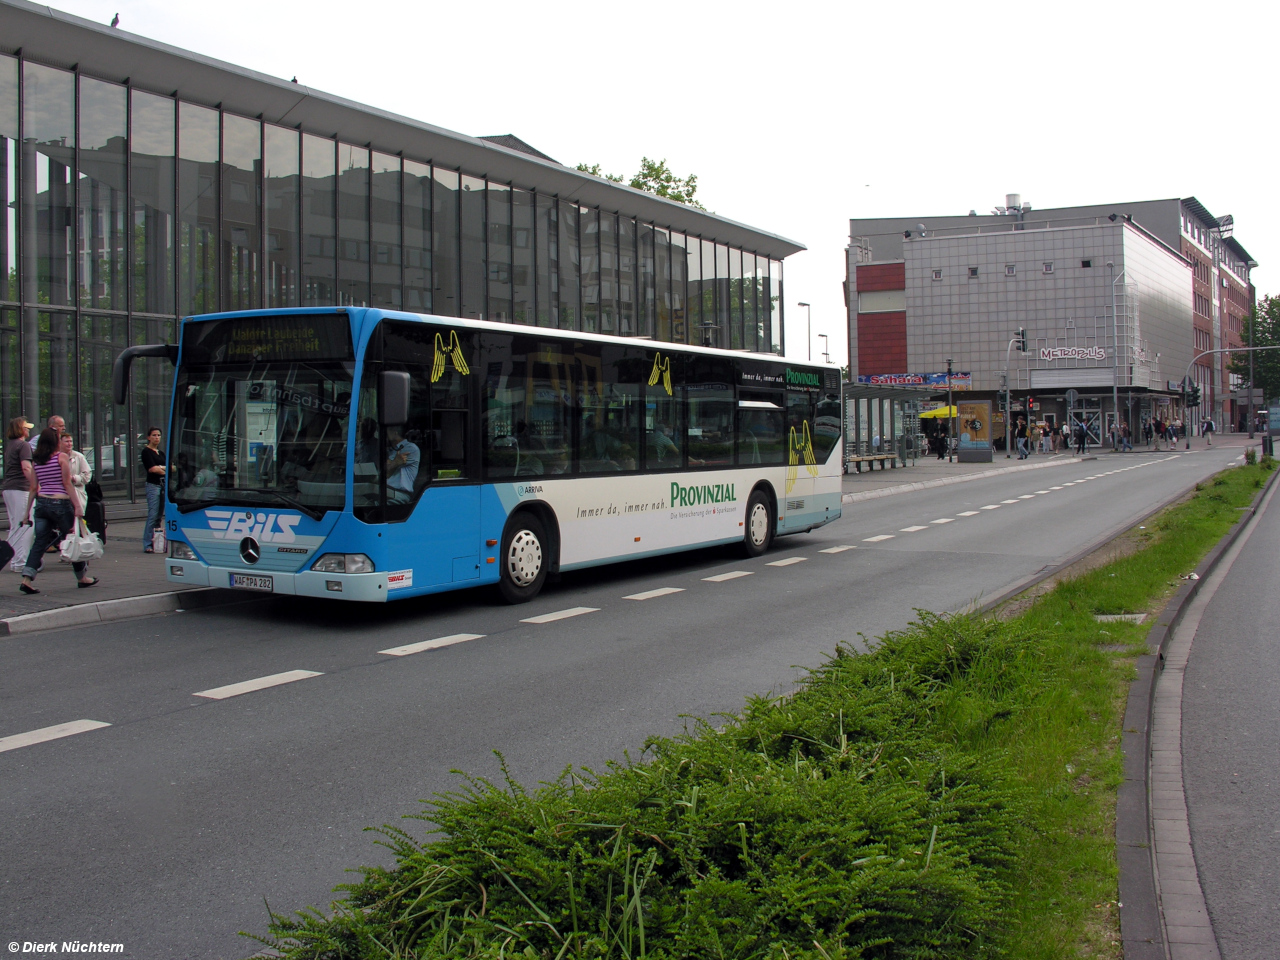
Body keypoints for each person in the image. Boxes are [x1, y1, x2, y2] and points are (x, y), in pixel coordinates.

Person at [20, 427, 96, 593]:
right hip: (60, 504)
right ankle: (82, 577)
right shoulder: (61, 457)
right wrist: (77, 505)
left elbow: (33, 488)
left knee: (40, 542)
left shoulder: (37, 460)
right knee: (72, 538)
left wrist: (26, 513)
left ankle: (27, 578)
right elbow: (67, 483)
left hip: (41, 505)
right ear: (55, 441)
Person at [3, 416, 35, 565]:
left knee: (15, 524)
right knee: (25, 523)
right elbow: (26, 467)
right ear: (20, 429)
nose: (28, 429)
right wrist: (35, 484)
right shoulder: (24, 446)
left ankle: (14, 559)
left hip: (9, 487)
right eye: (26, 427)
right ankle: (21, 560)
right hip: (21, 488)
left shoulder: (10, 445)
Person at [141, 427, 165, 552]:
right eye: (154, 435)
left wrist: (161, 467)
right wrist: (164, 470)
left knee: (159, 515)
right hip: (153, 485)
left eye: (159, 435)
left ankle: (157, 542)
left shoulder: (161, 453)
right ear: (148, 437)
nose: (157, 437)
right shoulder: (146, 452)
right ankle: (147, 543)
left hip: (162, 485)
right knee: (153, 514)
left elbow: (172, 467)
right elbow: (152, 469)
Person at [384, 423, 420, 495]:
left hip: (399, 492)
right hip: (386, 490)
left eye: (385, 432)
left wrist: (394, 463)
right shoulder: (391, 449)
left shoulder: (410, 448)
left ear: (394, 432)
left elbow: (386, 472)